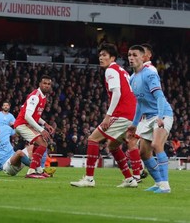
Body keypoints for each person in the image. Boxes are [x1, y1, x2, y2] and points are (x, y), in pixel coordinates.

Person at [71, 43, 138, 188]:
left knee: (93, 139)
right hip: (131, 113)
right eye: (100, 55)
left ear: (112, 57)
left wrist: (108, 116)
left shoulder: (111, 70)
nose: (101, 58)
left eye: (104, 55)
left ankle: (89, 179)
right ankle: (130, 179)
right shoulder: (122, 71)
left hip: (122, 114)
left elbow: (117, 93)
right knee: (113, 145)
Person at [127, 45, 174, 193]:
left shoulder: (150, 74)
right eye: (129, 55)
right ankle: (158, 183)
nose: (131, 58)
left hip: (162, 113)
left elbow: (159, 96)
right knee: (144, 153)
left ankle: (165, 186)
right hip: (147, 117)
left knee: (156, 144)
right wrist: (134, 124)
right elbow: (140, 104)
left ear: (143, 57)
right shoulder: (133, 78)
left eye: (135, 55)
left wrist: (160, 117)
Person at [14, 75, 55, 179]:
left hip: (27, 124)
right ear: (40, 84)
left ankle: (38, 170)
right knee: (43, 144)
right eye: (44, 83)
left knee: (40, 144)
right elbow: (27, 116)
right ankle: (31, 171)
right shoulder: (35, 96)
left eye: (48, 84)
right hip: (22, 124)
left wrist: (45, 124)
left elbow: (35, 116)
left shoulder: (43, 97)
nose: (46, 86)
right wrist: (41, 130)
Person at [125, 43, 155, 181]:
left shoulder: (150, 70)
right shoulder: (137, 73)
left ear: (147, 56)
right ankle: (143, 172)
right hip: (143, 115)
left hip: (148, 116)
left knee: (133, 143)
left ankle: (138, 174)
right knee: (143, 151)